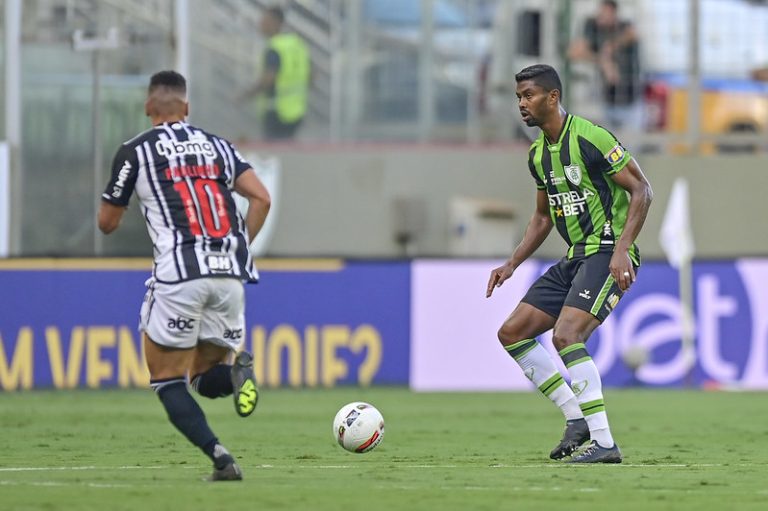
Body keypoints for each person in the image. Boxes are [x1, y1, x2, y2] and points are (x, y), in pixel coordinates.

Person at [98, 70, 271, 481]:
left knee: (166, 378)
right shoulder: (219, 147)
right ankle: (234, 373)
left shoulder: (134, 151)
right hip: (229, 275)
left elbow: (107, 223)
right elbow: (261, 198)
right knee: (201, 377)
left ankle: (222, 460)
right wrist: (236, 246)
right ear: (187, 108)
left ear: (147, 108)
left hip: (179, 274)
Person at [486, 64, 652, 463]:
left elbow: (642, 189)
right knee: (512, 333)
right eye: (518, 98)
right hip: (575, 257)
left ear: (553, 97)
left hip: (607, 251)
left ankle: (605, 443)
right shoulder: (537, 155)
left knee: (566, 335)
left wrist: (622, 248)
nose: (522, 105)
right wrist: (511, 263)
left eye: (528, 95)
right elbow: (543, 218)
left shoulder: (591, 137)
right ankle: (576, 419)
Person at [568, 0, 642, 131]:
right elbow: (574, 52)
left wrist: (610, 47)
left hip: (632, 98)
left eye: (605, 13)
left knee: (631, 146)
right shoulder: (593, 28)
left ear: (614, 13)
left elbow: (633, 34)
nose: (600, 17)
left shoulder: (624, 26)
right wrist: (603, 61)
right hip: (607, 99)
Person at [242, 5, 311, 141]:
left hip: (277, 111)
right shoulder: (297, 43)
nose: (260, 25)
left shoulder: (274, 48)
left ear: (275, 23)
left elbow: (268, 79)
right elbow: (312, 75)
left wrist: (245, 95)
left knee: (275, 154)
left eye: (264, 21)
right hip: (298, 110)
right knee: (288, 150)